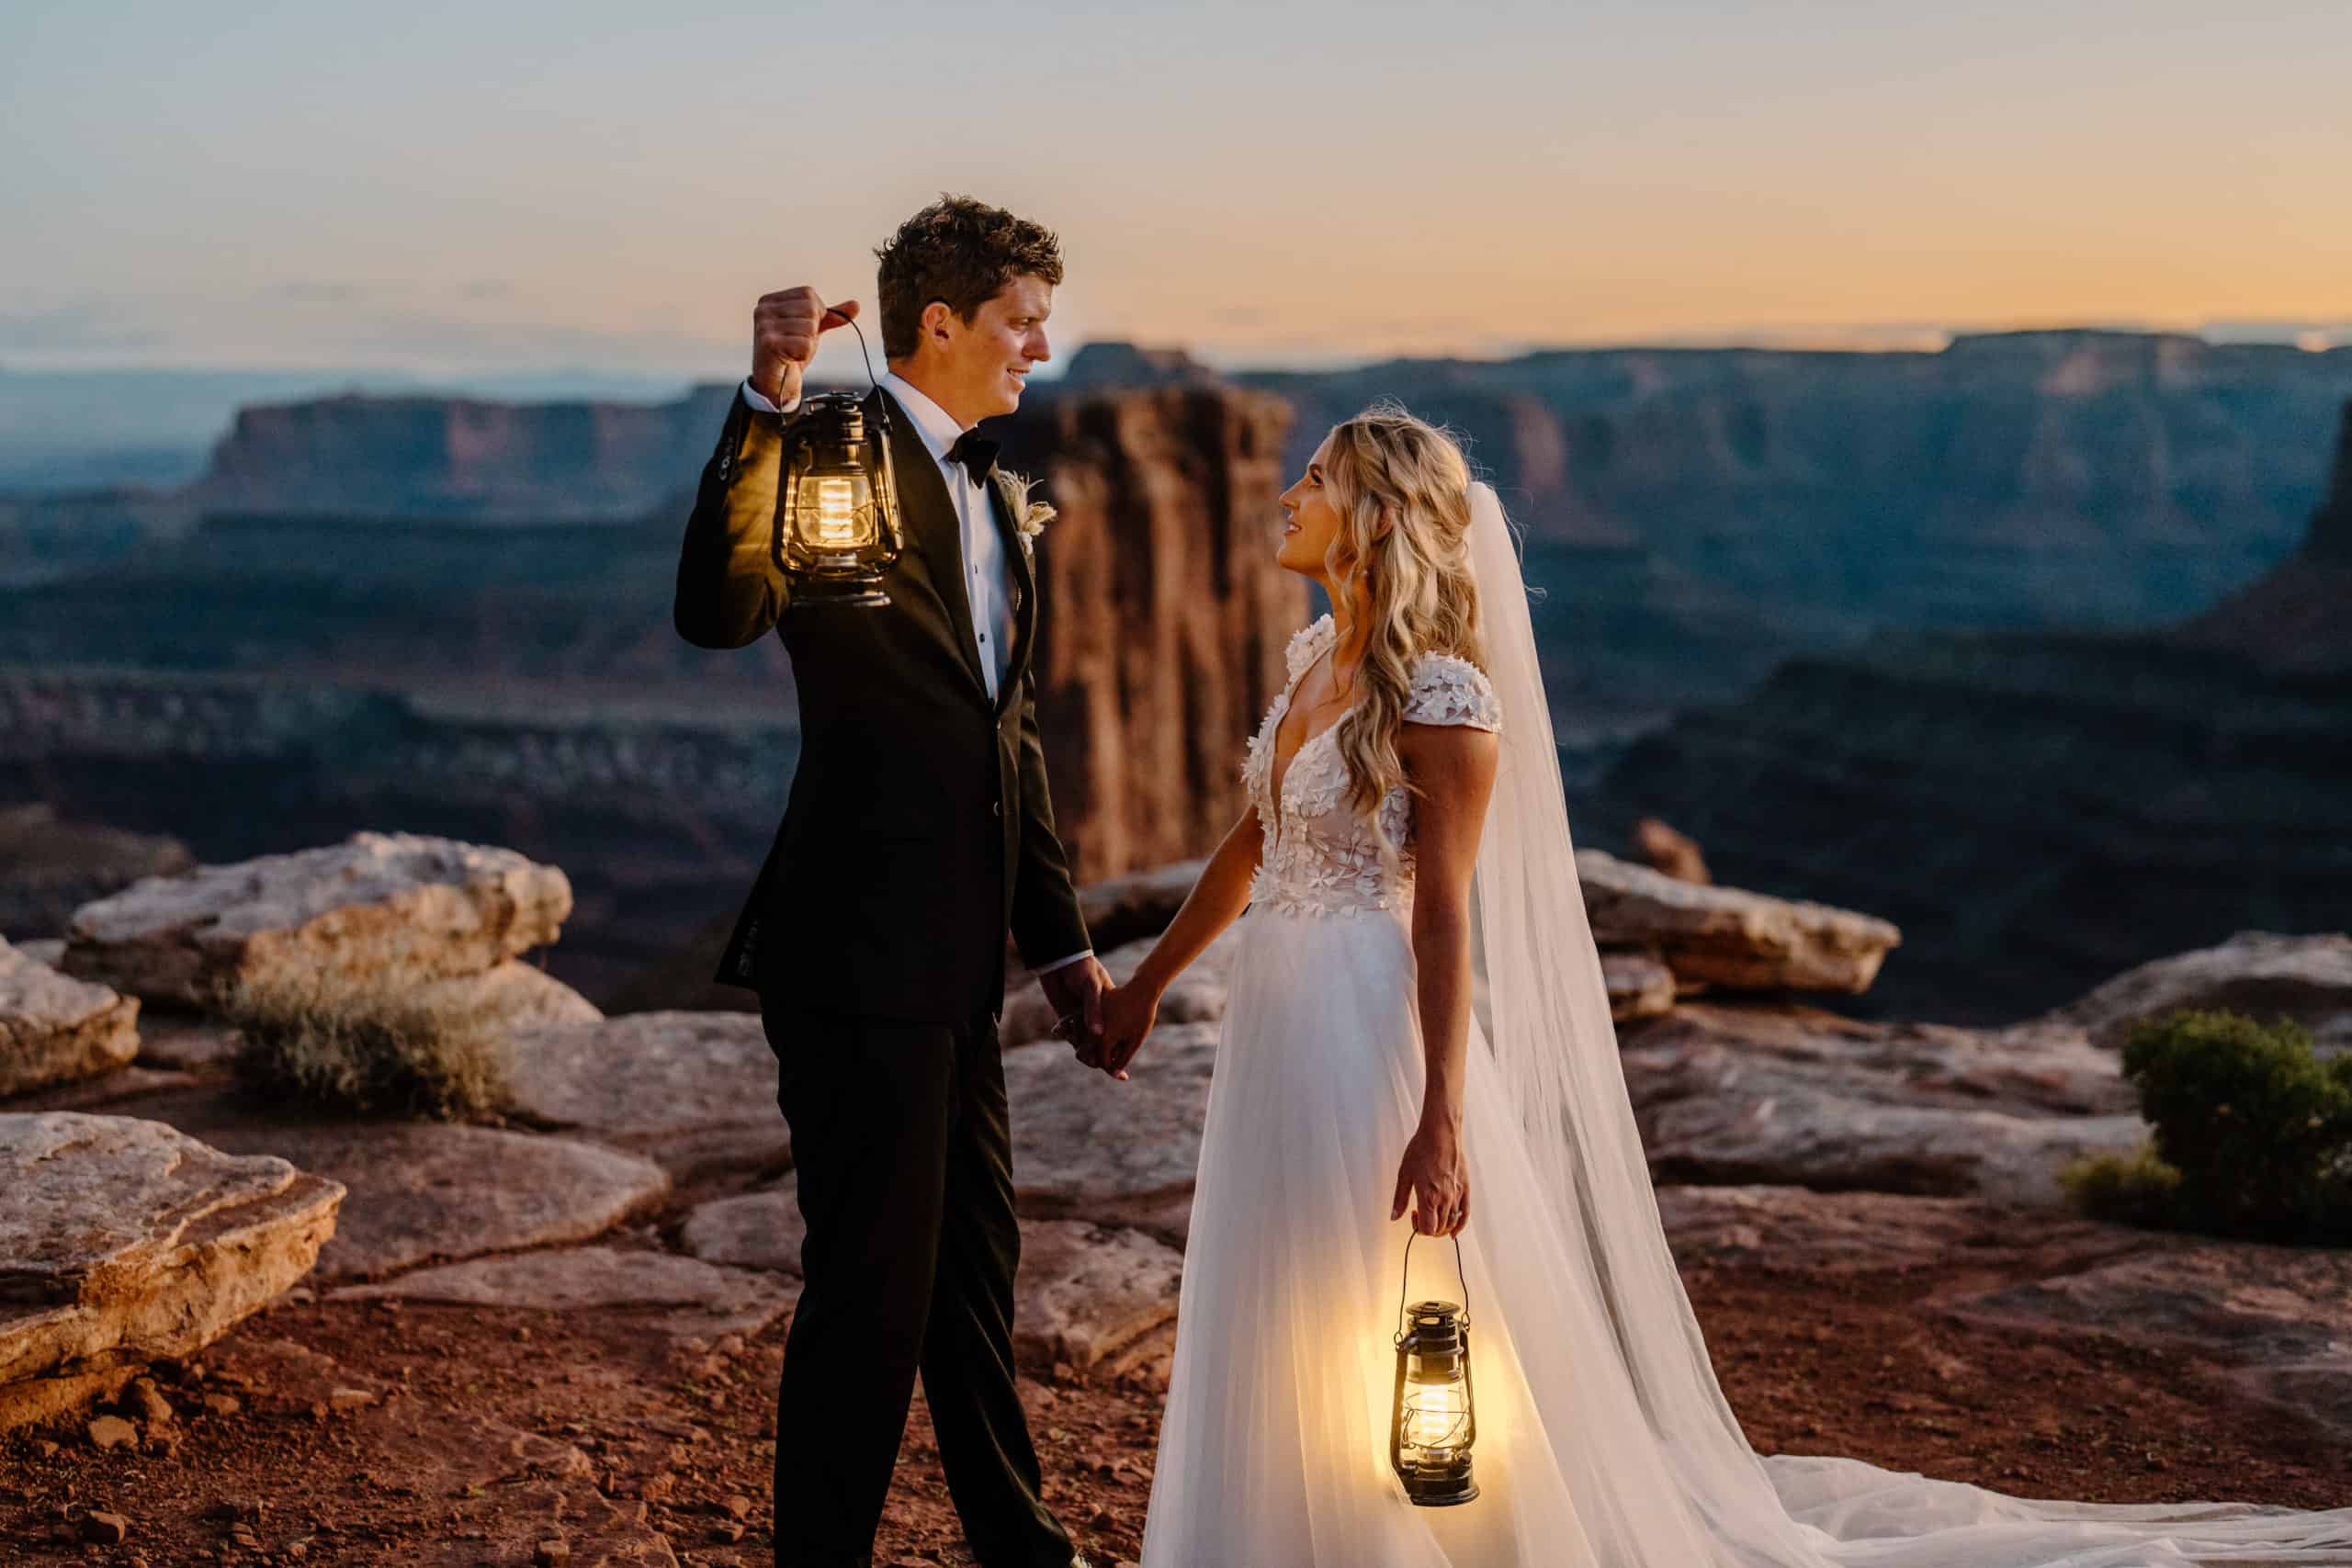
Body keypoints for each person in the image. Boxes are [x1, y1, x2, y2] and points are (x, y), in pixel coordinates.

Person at [1096, 401, 2352, 1566]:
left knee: (1367, 1299)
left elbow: (1443, 921)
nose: (1284, 497)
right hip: (1277, 1019)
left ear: (1372, 514)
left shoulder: (1442, 697)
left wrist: (1442, 1116)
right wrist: (1147, 989)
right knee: (1282, 1291)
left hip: (1368, 1028)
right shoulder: (1318, 652)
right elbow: (1251, 845)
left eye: (1311, 481)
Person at [672, 194, 1107, 1568]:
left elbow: (1009, 743)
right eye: (1021, 323)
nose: (1043, 348)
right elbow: (717, 612)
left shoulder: (994, 491)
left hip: (962, 962)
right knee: (870, 1288)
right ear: (940, 323)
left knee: (974, 1272)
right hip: (854, 950)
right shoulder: (824, 447)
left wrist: (1063, 948)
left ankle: (1020, 1541)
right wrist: (766, 394)